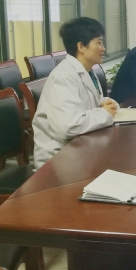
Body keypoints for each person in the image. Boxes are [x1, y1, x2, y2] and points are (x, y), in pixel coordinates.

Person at [33, 17, 118, 169]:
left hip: (82, 148)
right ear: (81, 47)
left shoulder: (87, 71)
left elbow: (92, 101)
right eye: (99, 42)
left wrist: (107, 104)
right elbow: (69, 126)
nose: (103, 48)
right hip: (58, 159)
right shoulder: (63, 77)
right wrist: (105, 113)